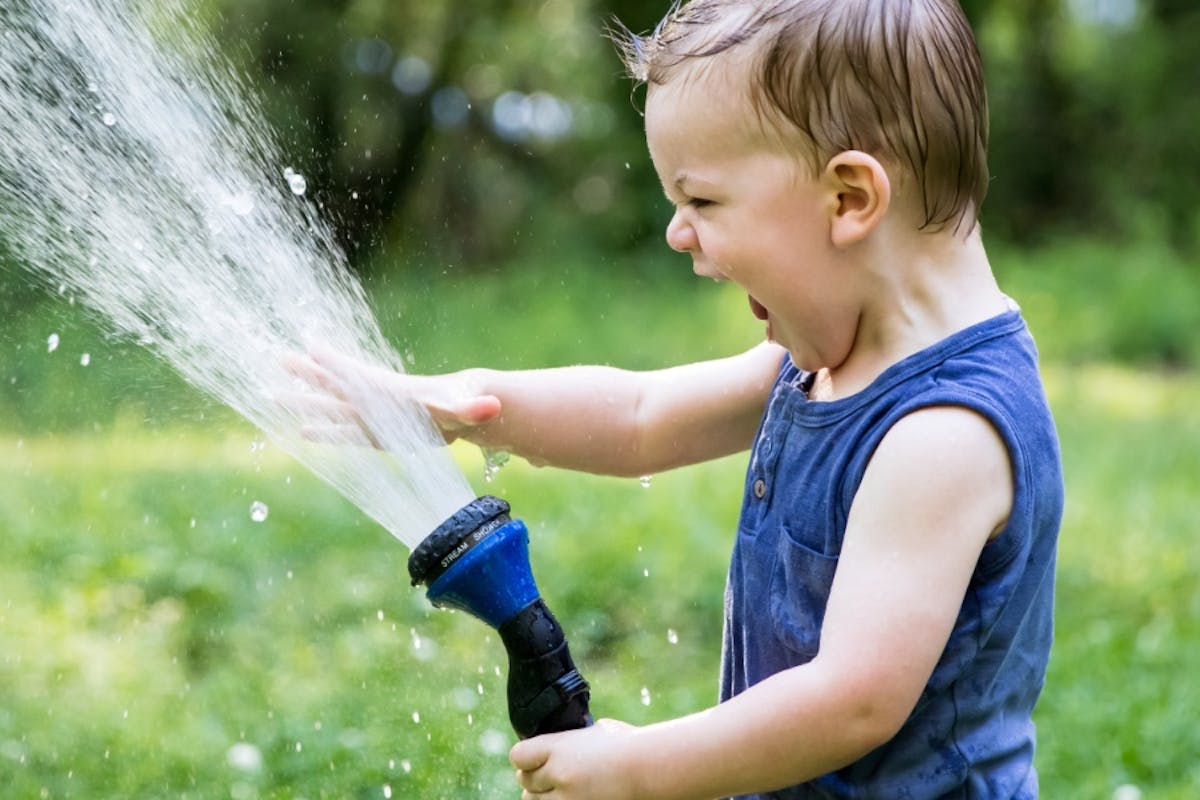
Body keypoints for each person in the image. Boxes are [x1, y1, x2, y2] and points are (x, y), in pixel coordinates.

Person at [293, 1, 1063, 797]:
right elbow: (639, 418)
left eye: (702, 201)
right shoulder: (827, 363)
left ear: (849, 199)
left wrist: (639, 770)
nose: (677, 232)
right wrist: (471, 403)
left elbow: (854, 701)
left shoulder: (942, 433)